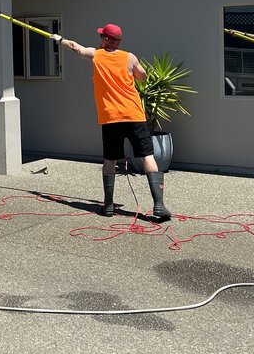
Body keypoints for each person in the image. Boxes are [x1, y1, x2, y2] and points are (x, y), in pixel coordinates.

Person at [51, 23, 170, 220]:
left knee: (110, 160)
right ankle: (159, 205)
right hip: (133, 115)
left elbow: (76, 48)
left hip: (111, 118)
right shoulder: (129, 57)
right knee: (147, 156)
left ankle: (108, 206)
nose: (100, 39)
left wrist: (60, 40)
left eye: (102, 37)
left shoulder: (96, 55)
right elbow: (143, 76)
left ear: (106, 40)